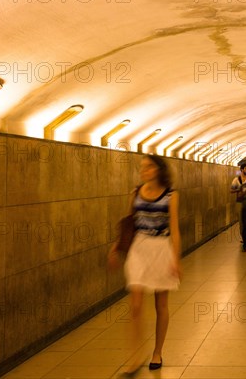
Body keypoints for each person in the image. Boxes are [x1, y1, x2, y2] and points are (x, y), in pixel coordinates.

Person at [107, 154, 181, 374]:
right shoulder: (136, 192)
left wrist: (176, 259)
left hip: (161, 248)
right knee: (136, 305)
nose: (143, 171)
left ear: (158, 170)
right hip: (139, 248)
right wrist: (116, 247)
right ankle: (135, 357)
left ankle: (157, 351)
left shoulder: (171, 195)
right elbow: (129, 223)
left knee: (161, 305)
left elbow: (175, 229)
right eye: (142, 167)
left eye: (148, 167)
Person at [231, 163, 246, 243]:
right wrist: (239, 190)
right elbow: (231, 190)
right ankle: (243, 237)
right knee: (241, 221)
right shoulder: (236, 180)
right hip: (239, 202)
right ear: (242, 169)